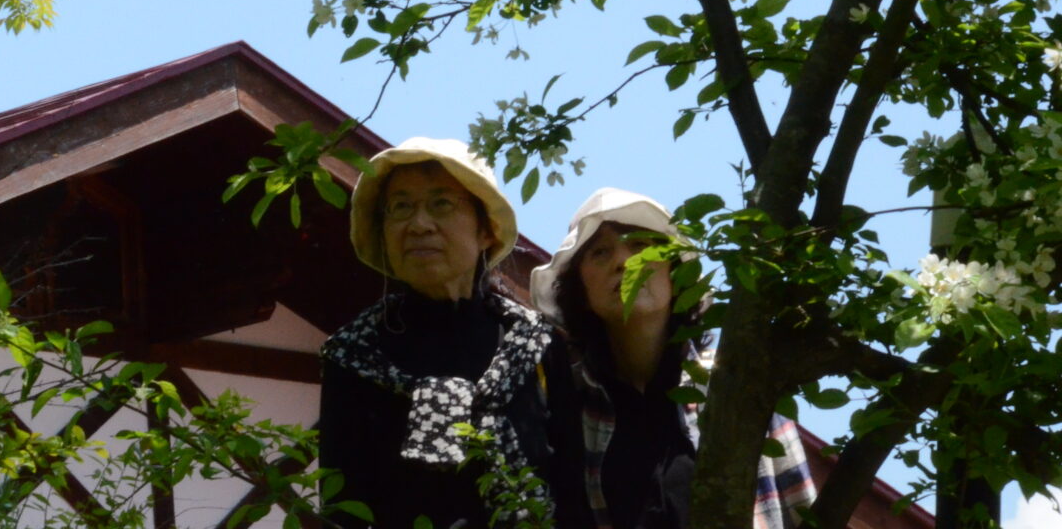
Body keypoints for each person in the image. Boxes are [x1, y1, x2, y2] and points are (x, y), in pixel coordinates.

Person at [529, 188, 815, 529]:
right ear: (581, 292)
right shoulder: (566, 405)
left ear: (675, 271)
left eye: (639, 244)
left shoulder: (739, 385)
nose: (623, 261)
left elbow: (804, 510)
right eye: (601, 252)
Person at [318, 137, 566, 529]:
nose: (419, 225)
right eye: (401, 207)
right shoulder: (354, 356)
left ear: (486, 231)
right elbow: (341, 509)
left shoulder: (536, 345)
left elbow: (574, 486)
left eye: (441, 204)